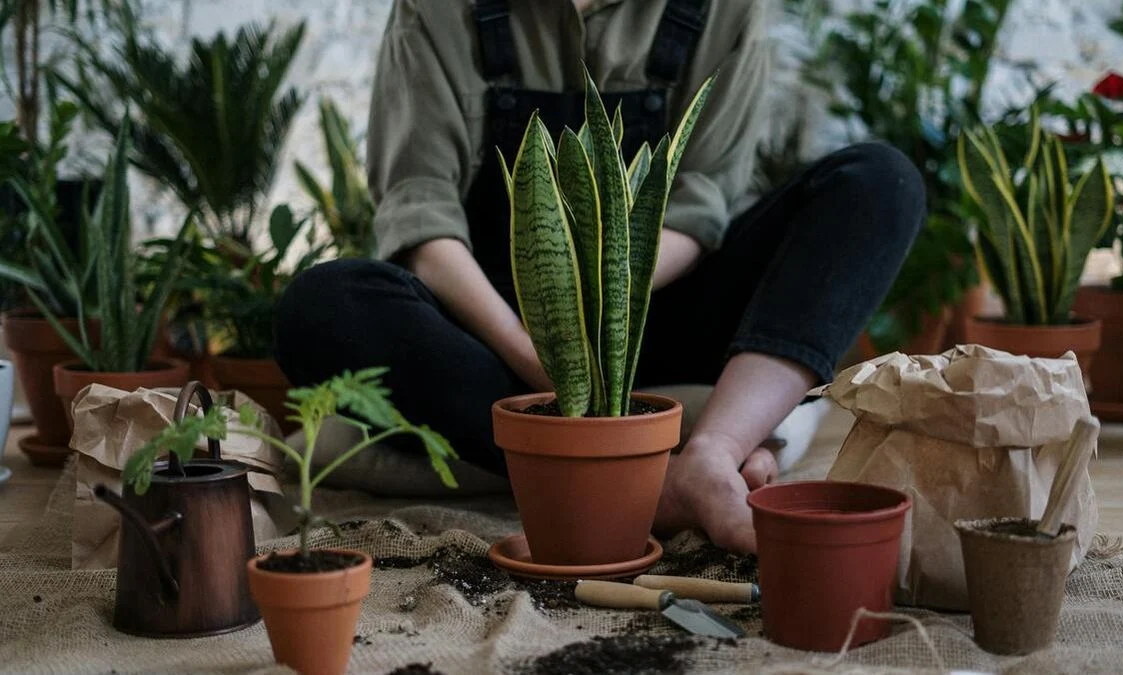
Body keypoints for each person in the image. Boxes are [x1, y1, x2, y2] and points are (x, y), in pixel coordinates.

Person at [275, 0, 924, 554]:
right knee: (323, 305)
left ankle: (709, 454)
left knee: (879, 183)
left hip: (656, 308)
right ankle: (639, 478)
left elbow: (700, 205)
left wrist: (607, 313)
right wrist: (540, 354)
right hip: (495, 340)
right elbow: (421, 214)